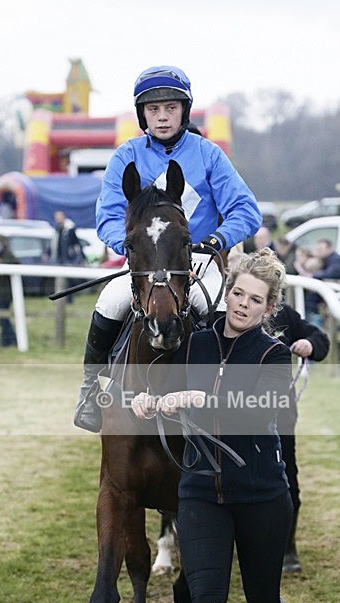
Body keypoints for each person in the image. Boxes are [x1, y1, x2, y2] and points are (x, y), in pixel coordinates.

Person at [132, 248, 300, 603]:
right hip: (201, 492)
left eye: (255, 300)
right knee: (205, 598)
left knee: (263, 600)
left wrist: (205, 400)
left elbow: (262, 410)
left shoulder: (273, 355)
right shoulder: (197, 344)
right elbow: (166, 391)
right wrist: (148, 399)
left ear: (269, 309)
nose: (242, 305)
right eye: (237, 294)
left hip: (263, 496)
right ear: (227, 291)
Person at [74, 65, 262, 432]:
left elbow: (246, 210)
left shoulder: (208, 154)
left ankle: (231, 400)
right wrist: (131, 246)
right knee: (112, 299)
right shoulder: (125, 156)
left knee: (221, 309)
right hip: (146, 262)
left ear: (184, 111)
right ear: (142, 114)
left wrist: (216, 241)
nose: (162, 116)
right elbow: (108, 217)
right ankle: (88, 392)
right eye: (153, 109)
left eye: (171, 108)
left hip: (199, 260)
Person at [270, 303, 330, 573]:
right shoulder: (225, 313)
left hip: (278, 412)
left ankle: (286, 547)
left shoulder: (283, 314)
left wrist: (308, 343)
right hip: (230, 408)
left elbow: (320, 338)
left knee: (285, 476)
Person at [0, 234, 18, 347]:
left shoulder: (7, 254)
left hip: (5, 292)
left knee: (4, 317)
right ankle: (7, 340)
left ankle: (10, 340)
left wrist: (0, 262)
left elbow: (16, 263)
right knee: (2, 318)